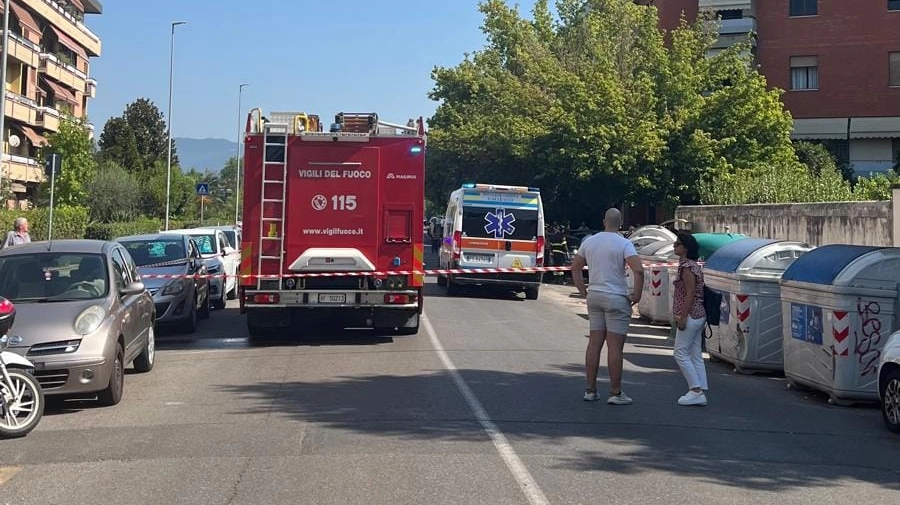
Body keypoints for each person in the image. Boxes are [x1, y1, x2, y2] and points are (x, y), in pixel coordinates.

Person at [571, 208, 643, 405]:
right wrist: (636, 295)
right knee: (615, 347)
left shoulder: (590, 242)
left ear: (604, 221)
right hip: (616, 297)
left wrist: (583, 291)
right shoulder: (624, 244)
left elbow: (575, 267)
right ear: (620, 224)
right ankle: (615, 392)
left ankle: (590, 389)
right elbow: (638, 270)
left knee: (594, 342)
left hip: (595, 295)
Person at [671, 232, 709, 406]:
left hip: (691, 314)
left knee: (680, 352)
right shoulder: (693, 265)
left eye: (677, 244)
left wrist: (683, 316)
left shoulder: (686, 266)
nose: (674, 246)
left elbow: (690, 292)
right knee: (694, 353)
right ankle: (700, 387)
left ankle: (695, 390)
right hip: (699, 314)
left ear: (685, 248)